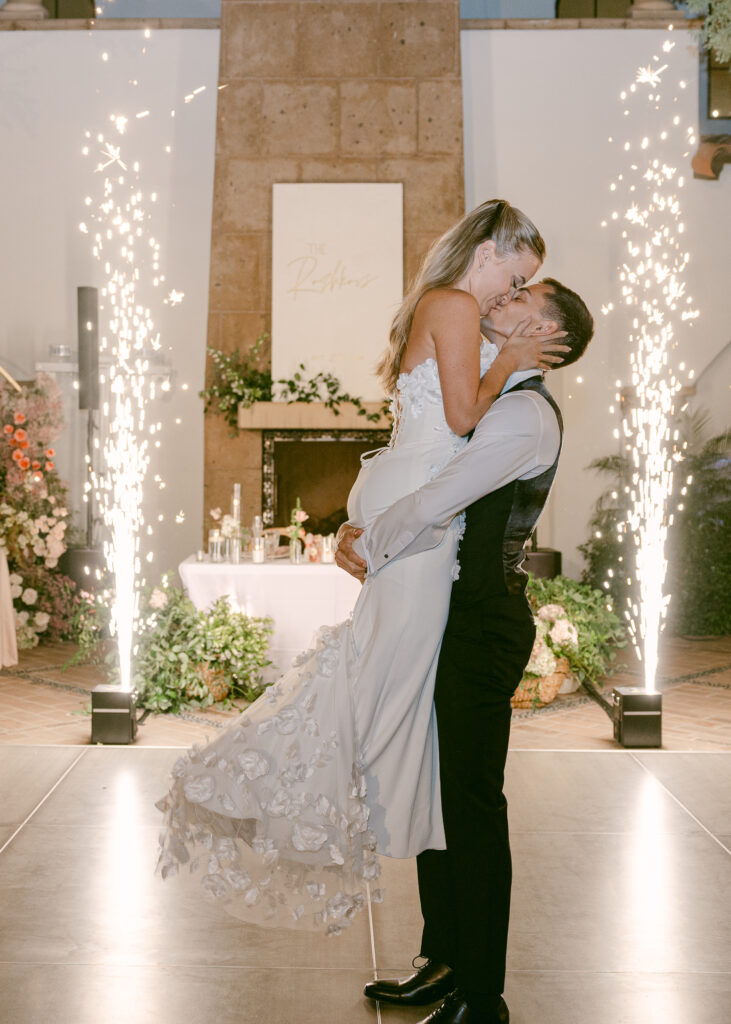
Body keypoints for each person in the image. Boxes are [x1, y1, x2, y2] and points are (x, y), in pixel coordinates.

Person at [155, 199, 566, 936]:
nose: (512, 291)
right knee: (381, 678)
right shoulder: (452, 305)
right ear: (488, 249)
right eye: (516, 273)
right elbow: (461, 419)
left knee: (382, 676)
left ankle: (360, 802)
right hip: (412, 507)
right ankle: (298, 790)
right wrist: (507, 358)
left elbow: (463, 429)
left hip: (408, 501)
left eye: (524, 285)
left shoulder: (452, 311)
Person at [336, 278, 595, 1023]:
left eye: (522, 300)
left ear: (548, 335)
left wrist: (362, 541)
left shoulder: (520, 416)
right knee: (436, 795)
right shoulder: (494, 401)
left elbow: (437, 498)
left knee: (472, 808)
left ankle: (482, 996)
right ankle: (442, 960)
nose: (501, 300)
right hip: (458, 618)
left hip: (484, 627)